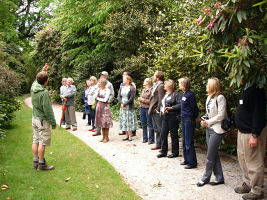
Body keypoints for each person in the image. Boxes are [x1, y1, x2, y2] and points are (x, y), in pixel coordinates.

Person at [234, 83, 266, 200]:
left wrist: (255, 134)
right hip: (242, 131)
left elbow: (259, 113)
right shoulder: (246, 89)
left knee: (254, 161)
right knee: (243, 159)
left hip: (251, 132)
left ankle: (257, 190)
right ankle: (248, 184)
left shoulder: (257, 90)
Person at [197, 77, 227, 186]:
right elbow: (209, 113)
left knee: (210, 155)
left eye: (207, 85)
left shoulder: (220, 98)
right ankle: (219, 178)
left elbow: (221, 115)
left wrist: (208, 122)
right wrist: (204, 119)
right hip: (209, 128)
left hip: (217, 129)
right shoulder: (209, 98)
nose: (206, 86)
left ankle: (205, 178)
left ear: (212, 86)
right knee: (213, 153)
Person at [31, 63, 56, 171]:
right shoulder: (44, 92)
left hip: (34, 118)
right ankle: (41, 165)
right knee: (42, 142)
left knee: (35, 140)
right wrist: (53, 123)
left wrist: (43, 70)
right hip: (42, 120)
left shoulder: (33, 87)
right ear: (46, 81)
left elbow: (37, 79)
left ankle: (35, 162)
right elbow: (48, 109)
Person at [157, 79, 182, 158]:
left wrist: (172, 108)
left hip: (172, 117)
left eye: (165, 85)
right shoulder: (166, 94)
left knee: (173, 135)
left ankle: (175, 152)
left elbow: (180, 105)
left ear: (169, 86)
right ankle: (164, 151)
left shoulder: (176, 94)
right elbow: (163, 104)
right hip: (165, 116)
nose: (164, 86)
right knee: (163, 133)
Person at [178, 77, 198, 169]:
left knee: (189, 141)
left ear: (184, 84)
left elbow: (194, 108)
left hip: (189, 120)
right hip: (183, 119)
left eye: (180, 83)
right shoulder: (184, 94)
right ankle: (186, 159)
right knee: (184, 140)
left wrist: (193, 117)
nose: (178, 85)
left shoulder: (190, 95)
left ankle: (192, 162)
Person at [117, 75, 138, 141]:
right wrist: (121, 103)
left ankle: (130, 136)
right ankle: (126, 135)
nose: (123, 80)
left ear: (128, 80)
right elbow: (118, 97)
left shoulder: (131, 88)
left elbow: (131, 98)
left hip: (129, 106)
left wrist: (124, 104)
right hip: (122, 106)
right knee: (124, 120)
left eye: (124, 79)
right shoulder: (122, 87)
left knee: (129, 121)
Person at [148, 71, 165, 150]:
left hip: (156, 110)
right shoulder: (156, 85)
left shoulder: (161, 86)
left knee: (160, 129)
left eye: (154, 76)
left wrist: (157, 109)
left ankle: (163, 146)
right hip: (153, 110)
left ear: (157, 77)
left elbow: (161, 99)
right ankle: (158, 144)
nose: (153, 77)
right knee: (156, 128)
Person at [94, 71, 114, 136]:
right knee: (99, 118)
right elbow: (94, 94)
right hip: (99, 104)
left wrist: (108, 101)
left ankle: (106, 136)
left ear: (106, 76)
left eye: (103, 75)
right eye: (101, 75)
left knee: (105, 119)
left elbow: (112, 94)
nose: (102, 76)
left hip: (105, 104)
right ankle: (98, 131)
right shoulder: (98, 85)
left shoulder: (109, 84)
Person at [138, 78, 154, 144]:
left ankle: (151, 139)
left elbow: (151, 101)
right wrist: (140, 99)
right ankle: (145, 138)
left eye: (144, 81)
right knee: (143, 124)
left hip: (148, 109)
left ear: (147, 83)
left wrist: (142, 100)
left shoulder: (151, 90)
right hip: (142, 108)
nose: (143, 82)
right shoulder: (143, 90)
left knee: (150, 124)